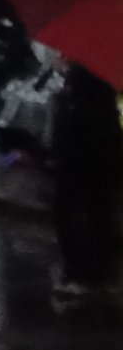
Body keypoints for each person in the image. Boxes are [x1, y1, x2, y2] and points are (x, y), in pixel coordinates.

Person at [50, 58, 122, 304]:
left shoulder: (86, 72)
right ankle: (100, 273)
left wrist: (69, 70)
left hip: (81, 141)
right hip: (103, 139)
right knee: (99, 206)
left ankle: (80, 274)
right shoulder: (108, 67)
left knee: (71, 207)